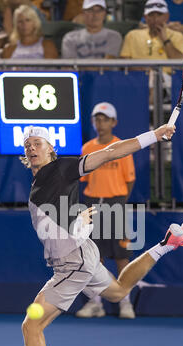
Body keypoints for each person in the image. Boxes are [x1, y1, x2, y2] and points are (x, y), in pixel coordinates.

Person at [3, 122, 183, 346]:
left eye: (38, 143)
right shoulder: (42, 180)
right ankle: (168, 244)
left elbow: (111, 152)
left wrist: (155, 135)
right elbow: (60, 216)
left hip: (75, 263)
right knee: (118, 291)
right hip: (79, 255)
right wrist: (76, 221)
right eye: (28, 144)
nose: (31, 148)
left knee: (32, 326)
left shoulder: (62, 168)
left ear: (51, 149)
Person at [76, 102, 137, 319]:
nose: (100, 123)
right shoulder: (87, 148)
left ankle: (125, 303)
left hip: (116, 204)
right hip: (92, 205)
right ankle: (95, 303)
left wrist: (118, 201)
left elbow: (129, 180)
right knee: (94, 258)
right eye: (97, 119)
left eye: (105, 119)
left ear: (114, 122)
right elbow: (82, 179)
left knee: (122, 257)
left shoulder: (122, 147)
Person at [120, 0, 183, 101]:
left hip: (168, 82)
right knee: (150, 78)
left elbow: (181, 65)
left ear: (167, 16)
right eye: (151, 15)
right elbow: (124, 64)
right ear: (145, 17)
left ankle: (148, 113)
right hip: (137, 79)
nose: (155, 19)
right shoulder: (132, 35)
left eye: (159, 15)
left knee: (155, 79)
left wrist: (165, 39)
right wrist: (144, 71)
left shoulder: (177, 36)